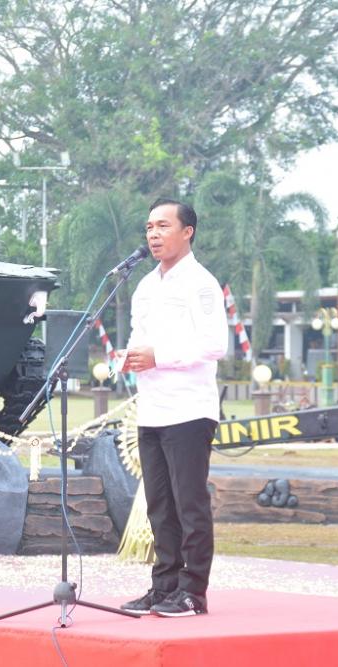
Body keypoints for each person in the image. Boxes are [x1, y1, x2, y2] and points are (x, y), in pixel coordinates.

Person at [119, 198, 228, 618]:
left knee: (189, 504)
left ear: (188, 231)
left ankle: (191, 593)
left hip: (188, 409)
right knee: (159, 505)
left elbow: (215, 344)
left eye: (163, 226)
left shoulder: (201, 283)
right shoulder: (146, 285)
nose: (153, 234)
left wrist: (158, 355)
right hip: (152, 408)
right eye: (149, 227)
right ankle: (163, 586)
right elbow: (137, 336)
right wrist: (128, 358)